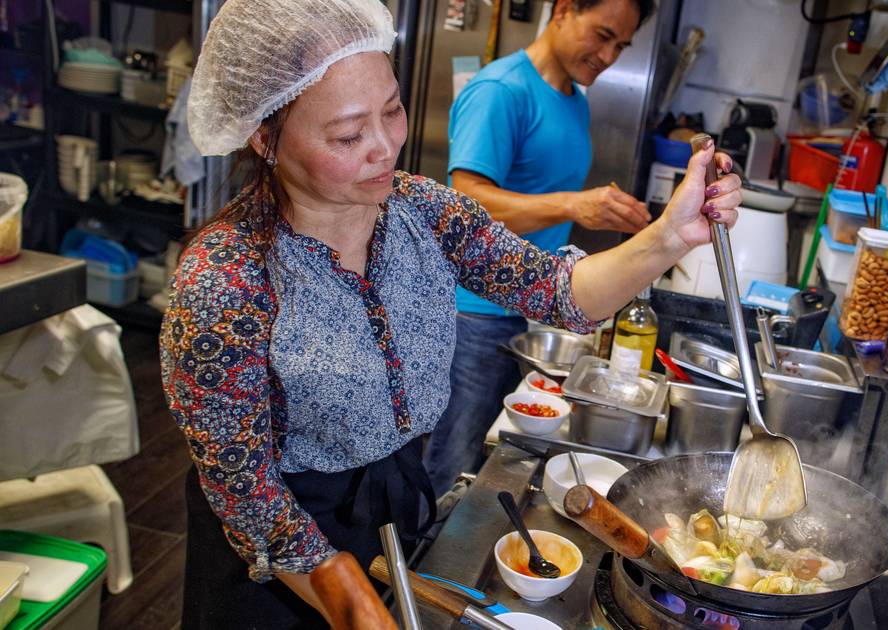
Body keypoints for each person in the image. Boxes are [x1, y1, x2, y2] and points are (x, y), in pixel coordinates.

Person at [162, 0, 740, 627]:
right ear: (265, 137)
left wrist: (670, 237)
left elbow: (558, 290)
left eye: (392, 110)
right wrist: (340, 588)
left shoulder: (423, 213)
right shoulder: (226, 280)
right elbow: (240, 483)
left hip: (392, 512)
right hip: (276, 552)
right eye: (349, 134)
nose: (385, 147)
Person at [425, 0, 655, 496]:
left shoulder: (572, 96)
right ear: (564, 10)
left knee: (487, 461)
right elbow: (465, 203)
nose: (608, 56)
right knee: (452, 462)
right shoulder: (500, 91)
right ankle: (409, 568)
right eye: (602, 35)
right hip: (475, 317)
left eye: (621, 46)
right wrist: (573, 206)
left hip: (526, 312)